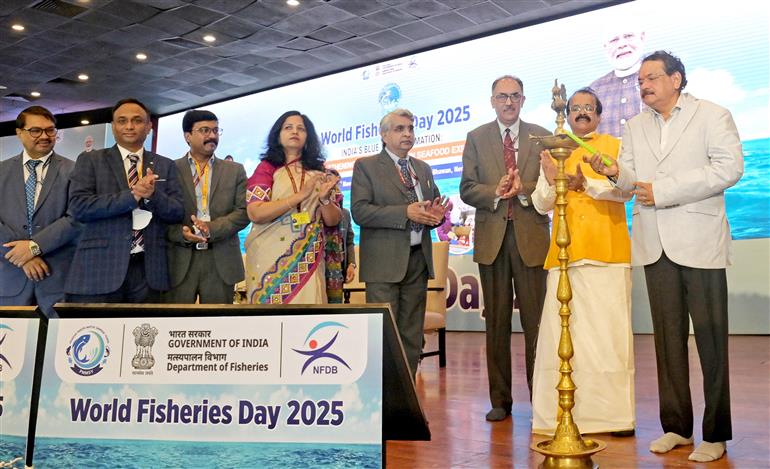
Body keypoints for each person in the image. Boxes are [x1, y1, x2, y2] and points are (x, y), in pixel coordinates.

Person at [586, 50, 743, 463]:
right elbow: (632, 181)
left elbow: (730, 169)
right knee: (667, 342)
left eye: (651, 77)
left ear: (676, 79)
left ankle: (716, 433)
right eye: (639, 81)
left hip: (701, 241)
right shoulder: (635, 125)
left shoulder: (712, 114)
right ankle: (676, 427)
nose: (643, 86)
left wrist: (665, 191)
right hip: (654, 243)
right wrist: (612, 171)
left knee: (711, 342)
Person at [530, 88, 635, 436]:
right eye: (575, 109)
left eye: (588, 108)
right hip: (565, 258)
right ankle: (556, 417)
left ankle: (614, 418)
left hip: (608, 254)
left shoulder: (614, 145)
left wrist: (585, 184)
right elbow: (541, 204)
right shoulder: (554, 149)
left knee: (610, 341)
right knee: (561, 342)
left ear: (599, 113)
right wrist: (549, 177)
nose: (581, 113)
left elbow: (624, 191)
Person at [459, 75, 550, 422]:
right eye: (502, 97)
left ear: (523, 100)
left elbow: (549, 183)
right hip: (492, 241)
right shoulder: (476, 137)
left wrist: (521, 188)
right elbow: (467, 188)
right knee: (495, 324)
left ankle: (540, 397)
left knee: (536, 324)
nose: (508, 102)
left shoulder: (541, 136)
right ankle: (500, 401)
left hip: (531, 240)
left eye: (514, 96)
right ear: (492, 101)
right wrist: (495, 191)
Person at [351, 108, 447, 379]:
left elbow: (432, 209)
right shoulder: (366, 166)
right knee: (384, 333)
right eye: (399, 129)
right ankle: (382, 396)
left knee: (411, 334)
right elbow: (360, 212)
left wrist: (436, 217)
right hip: (383, 265)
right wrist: (405, 213)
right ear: (383, 135)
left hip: (417, 260)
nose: (407, 134)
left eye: (410, 128)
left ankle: (407, 393)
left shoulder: (423, 168)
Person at [66, 98, 184, 303]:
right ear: (113, 127)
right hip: (100, 268)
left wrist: (152, 195)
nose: (129, 126)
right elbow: (79, 207)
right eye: (122, 121)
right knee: (99, 333)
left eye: (137, 121)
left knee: (143, 334)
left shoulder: (165, 165)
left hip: (149, 270)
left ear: (149, 127)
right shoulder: (91, 160)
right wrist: (132, 196)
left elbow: (176, 212)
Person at [244, 111, 341, 304]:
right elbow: (255, 212)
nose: (294, 131)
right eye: (288, 127)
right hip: (268, 256)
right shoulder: (266, 168)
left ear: (308, 137)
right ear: (278, 135)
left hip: (308, 258)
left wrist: (324, 200)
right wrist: (301, 195)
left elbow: (332, 220)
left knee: (307, 317)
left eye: (301, 128)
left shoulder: (321, 173)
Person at [162, 110, 249, 304]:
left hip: (220, 259)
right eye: (204, 130)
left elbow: (243, 213)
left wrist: (211, 229)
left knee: (218, 325)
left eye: (216, 130)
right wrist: (180, 234)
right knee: (175, 327)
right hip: (181, 258)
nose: (212, 135)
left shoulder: (235, 170)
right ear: (188, 136)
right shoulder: (170, 169)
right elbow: (161, 215)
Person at [0, 106, 80, 317]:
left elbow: (76, 219)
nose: (44, 136)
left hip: (57, 282)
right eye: (36, 130)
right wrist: (23, 256)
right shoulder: (1, 171)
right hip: (9, 281)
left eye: (50, 130)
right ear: (19, 133)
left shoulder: (75, 171)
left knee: (54, 347)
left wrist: (34, 247)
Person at [589, 27, 646, 138]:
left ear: (642, 37)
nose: (621, 44)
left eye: (628, 36)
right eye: (614, 40)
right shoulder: (594, 91)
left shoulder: (664, 80)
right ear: (605, 47)